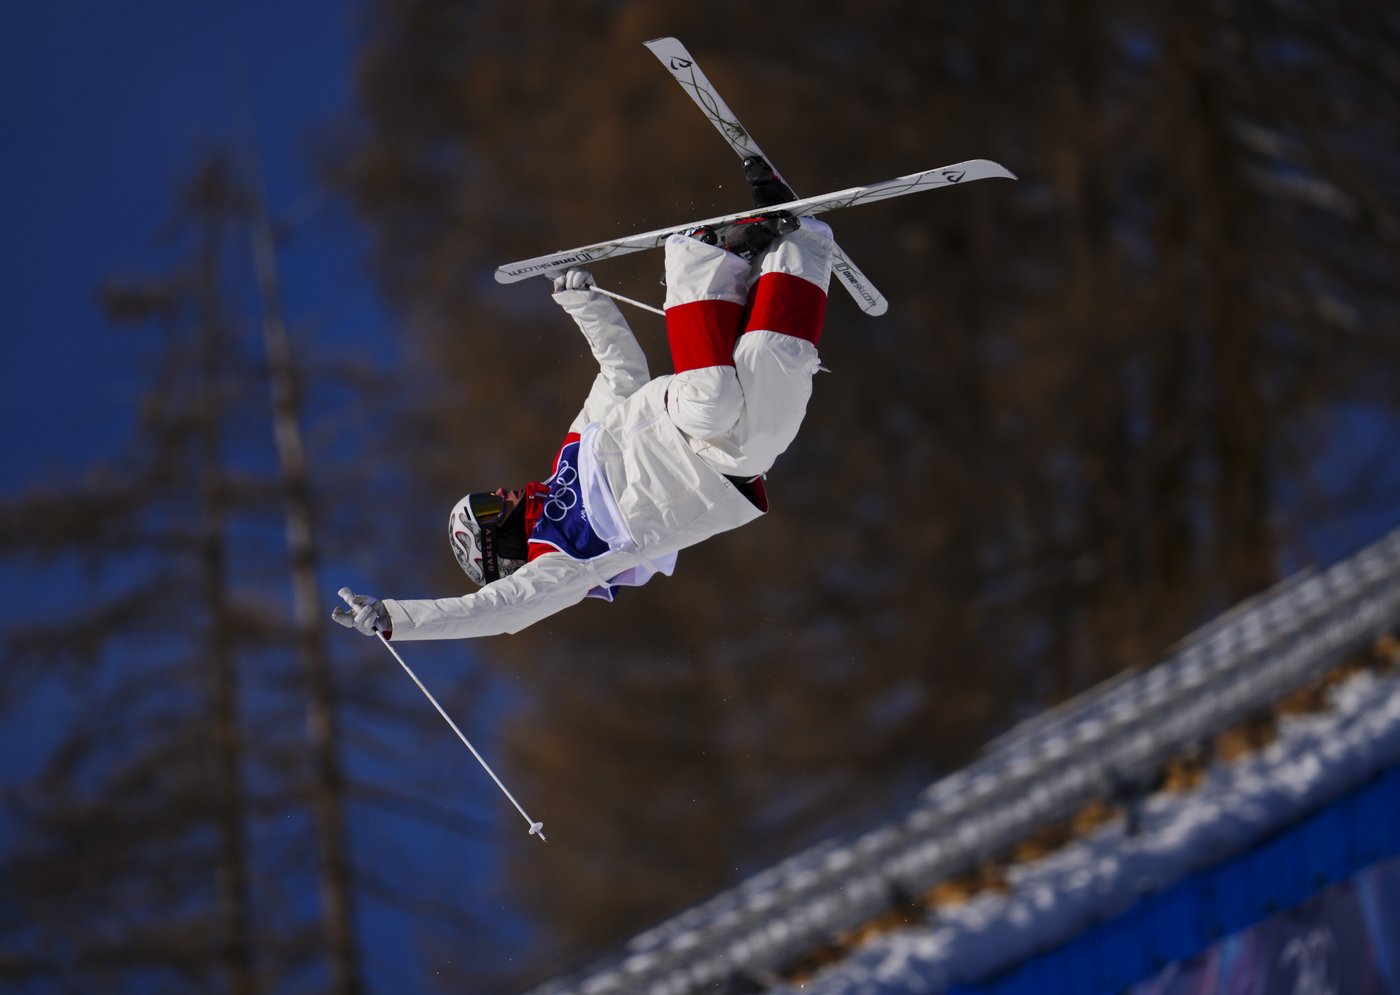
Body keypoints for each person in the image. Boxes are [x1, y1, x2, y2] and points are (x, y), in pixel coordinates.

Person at [334, 158, 835, 641]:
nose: (501, 495)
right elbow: (497, 611)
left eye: (486, 497)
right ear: (499, 548)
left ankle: (700, 255)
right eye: (488, 509)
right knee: (777, 359)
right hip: (730, 466)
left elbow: (621, 372)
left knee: (713, 402)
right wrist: (397, 618)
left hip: (680, 421)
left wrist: (584, 304)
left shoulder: (571, 454)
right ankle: (800, 239)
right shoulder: (563, 560)